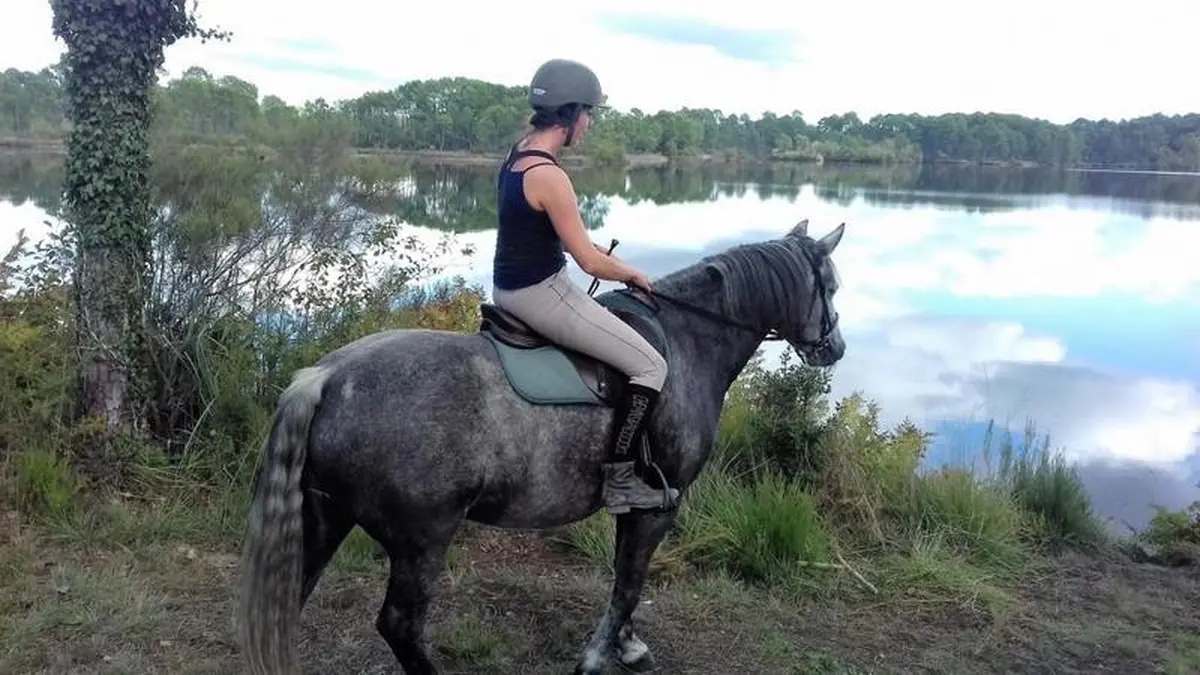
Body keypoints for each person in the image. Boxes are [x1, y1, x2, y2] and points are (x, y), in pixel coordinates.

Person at [490, 58, 679, 514]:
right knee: (651, 366)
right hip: (541, 294)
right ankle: (621, 483)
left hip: (508, 287)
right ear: (569, 114)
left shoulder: (518, 154)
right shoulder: (551, 176)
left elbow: (567, 237)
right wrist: (632, 273)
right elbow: (588, 260)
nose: (590, 124)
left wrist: (601, 257)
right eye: (588, 114)